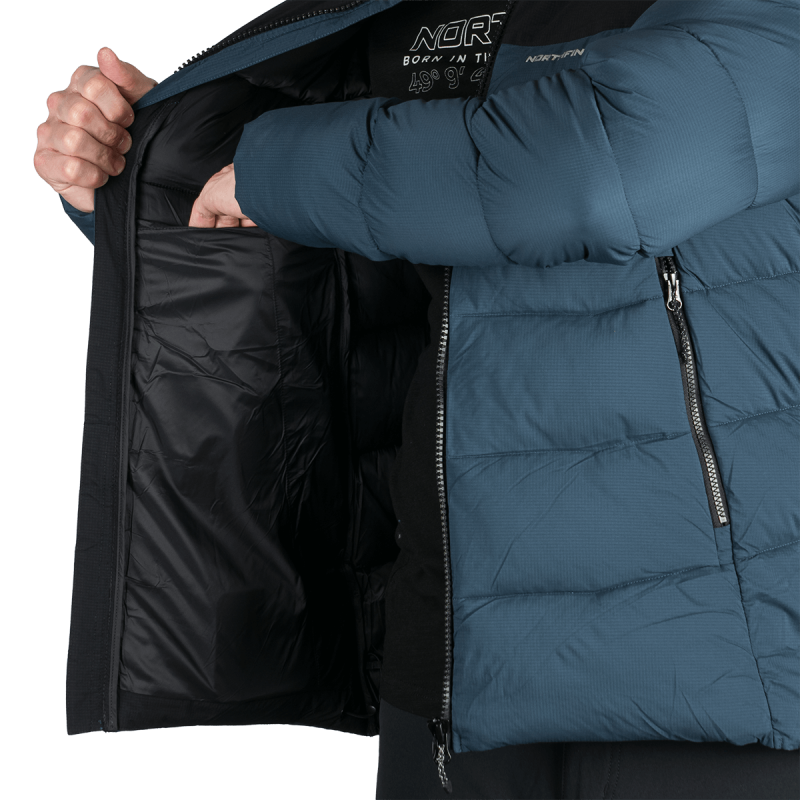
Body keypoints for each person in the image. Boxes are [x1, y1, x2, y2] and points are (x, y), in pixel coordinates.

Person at [40, 2, 799, 798]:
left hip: (717, 672)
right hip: (452, 667)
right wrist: (152, 169)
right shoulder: (414, 14)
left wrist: (272, 171)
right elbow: (358, 254)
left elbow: (596, 164)